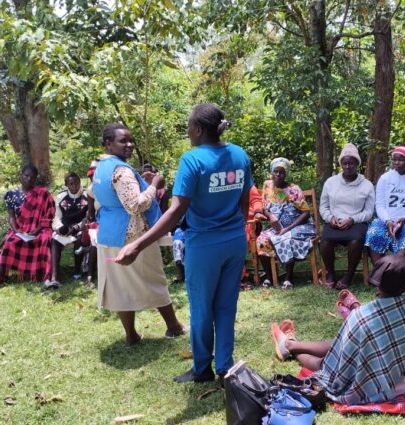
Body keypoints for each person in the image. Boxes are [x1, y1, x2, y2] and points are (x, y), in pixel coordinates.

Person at [114, 104, 253, 384]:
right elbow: (245, 200)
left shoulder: (192, 160)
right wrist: (234, 227)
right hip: (236, 240)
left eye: (189, 125)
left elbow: (176, 211)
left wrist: (137, 245)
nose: (187, 130)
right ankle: (225, 367)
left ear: (199, 130)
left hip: (205, 246)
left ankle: (202, 369)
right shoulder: (239, 154)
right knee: (226, 306)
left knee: (202, 308)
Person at [270, 255, 405, 405]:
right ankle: (290, 346)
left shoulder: (362, 316)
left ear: (377, 284)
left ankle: (290, 346)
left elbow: (339, 365)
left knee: (324, 365)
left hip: (375, 390)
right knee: (341, 345)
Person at [92, 123, 185, 347]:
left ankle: (131, 335)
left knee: (119, 286)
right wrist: (154, 185)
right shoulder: (121, 170)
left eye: (130, 140)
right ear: (108, 143)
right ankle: (173, 326)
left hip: (109, 233)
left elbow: (102, 195)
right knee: (154, 279)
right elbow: (135, 205)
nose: (129, 144)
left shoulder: (100, 167)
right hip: (133, 235)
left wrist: (140, 181)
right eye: (123, 141)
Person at [0, 165, 55, 294]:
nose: (29, 179)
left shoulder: (42, 193)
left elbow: (49, 214)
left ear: (35, 179)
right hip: (21, 229)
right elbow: (11, 217)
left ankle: (47, 278)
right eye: (26, 176)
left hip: (39, 229)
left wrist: (38, 229)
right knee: (10, 241)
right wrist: (16, 230)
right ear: (21, 176)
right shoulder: (11, 195)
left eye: (32, 177)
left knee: (45, 239)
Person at [319, 143, 375, 290]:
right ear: (341, 164)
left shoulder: (366, 185)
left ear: (357, 163)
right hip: (334, 222)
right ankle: (331, 273)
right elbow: (323, 206)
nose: (348, 166)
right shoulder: (331, 182)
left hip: (356, 222)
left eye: (351, 163)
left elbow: (369, 212)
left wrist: (352, 219)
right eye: (344, 163)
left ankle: (349, 275)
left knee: (356, 242)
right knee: (325, 242)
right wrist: (330, 218)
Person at [256, 158, 316, 289]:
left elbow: (305, 213)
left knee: (286, 238)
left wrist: (288, 228)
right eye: (275, 171)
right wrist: (270, 216)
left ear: (286, 173)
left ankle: (289, 277)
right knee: (261, 240)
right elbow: (264, 207)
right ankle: (270, 276)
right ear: (271, 172)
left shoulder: (293, 190)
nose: (278, 175)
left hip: (298, 225)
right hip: (277, 226)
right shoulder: (268, 185)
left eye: (281, 172)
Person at [365, 142, 405, 262]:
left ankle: (397, 271)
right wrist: (387, 221)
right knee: (374, 233)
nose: (397, 163)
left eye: (401, 160)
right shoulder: (385, 178)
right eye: (394, 160)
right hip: (386, 219)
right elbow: (380, 205)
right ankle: (380, 272)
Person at [48, 172, 89, 288]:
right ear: (66, 185)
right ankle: (54, 277)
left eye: (77, 183)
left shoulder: (86, 195)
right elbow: (57, 216)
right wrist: (59, 227)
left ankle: (77, 270)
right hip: (65, 228)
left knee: (80, 238)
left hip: (80, 227)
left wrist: (77, 227)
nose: (74, 186)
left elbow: (88, 216)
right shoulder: (61, 197)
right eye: (71, 183)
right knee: (55, 240)